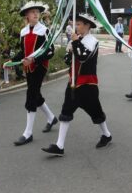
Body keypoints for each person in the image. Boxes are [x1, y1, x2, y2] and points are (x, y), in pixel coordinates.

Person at [41, 14, 112, 156]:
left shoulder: (93, 41)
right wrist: (70, 49)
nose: (76, 27)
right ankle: (59, 146)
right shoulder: (76, 40)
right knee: (66, 111)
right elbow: (68, 60)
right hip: (73, 82)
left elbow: (84, 57)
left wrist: (75, 43)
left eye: (79, 24)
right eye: (75, 24)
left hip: (88, 84)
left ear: (87, 25)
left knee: (96, 112)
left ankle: (107, 134)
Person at [9, 1, 57, 146]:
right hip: (28, 68)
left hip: (40, 66)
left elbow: (50, 51)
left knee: (31, 94)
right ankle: (51, 118)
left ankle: (28, 133)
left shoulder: (44, 30)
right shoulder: (23, 32)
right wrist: (12, 61)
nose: (36, 14)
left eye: (37, 11)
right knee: (36, 94)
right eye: (32, 12)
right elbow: (23, 52)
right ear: (27, 16)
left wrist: (34, 59)